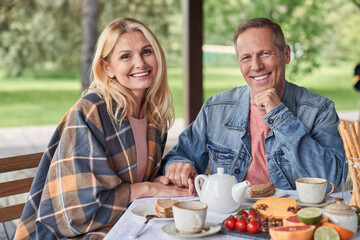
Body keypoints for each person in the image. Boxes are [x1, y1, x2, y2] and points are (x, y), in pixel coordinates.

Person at [13, 18, 193, 240]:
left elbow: (137, 182)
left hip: (126, 223)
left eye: (146, 52)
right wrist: (146, 189)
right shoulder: (92, 110)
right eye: (125, 56)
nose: (140, 63)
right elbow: (78, 213)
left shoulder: (154, 118)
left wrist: (157, 182)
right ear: (107, 68)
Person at [162, 17, 345, 191]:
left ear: (286, 54)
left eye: (265, 53)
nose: (256, 66)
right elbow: (180, 155)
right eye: (246, 58)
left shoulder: (319, 110)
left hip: (292, 218)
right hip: (234, 218)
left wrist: (280, 116)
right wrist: (178, 167)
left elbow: (332, 180)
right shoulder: (215, 109)